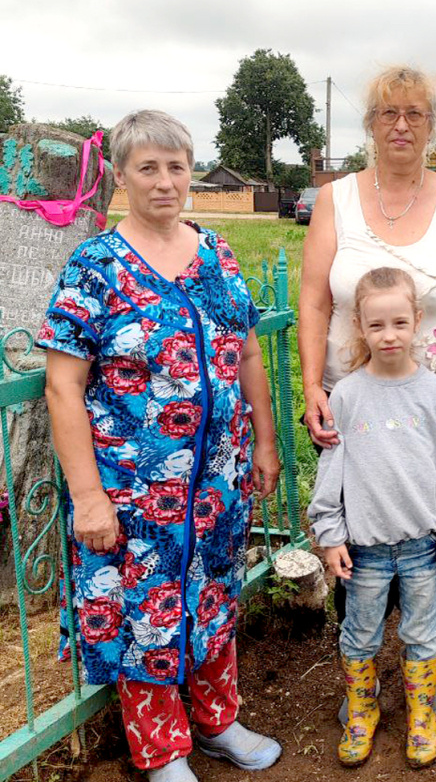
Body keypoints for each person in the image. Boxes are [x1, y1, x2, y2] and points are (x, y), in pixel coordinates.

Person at [39, 110, 282, 782]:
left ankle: (217, 721)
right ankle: (161, 751)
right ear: (121, 177)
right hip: (134, 488)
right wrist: (88, 496)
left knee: (213, 596)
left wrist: (264, 439)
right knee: (144, 612)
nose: (165, 181)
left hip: (218, 481)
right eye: (148, 167)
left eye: (177, 166)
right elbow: (64, 387)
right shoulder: (96, 267)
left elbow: (249, 350)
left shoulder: (217, 254)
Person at [298, 64, 436, 718]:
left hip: (435, 400)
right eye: (388, 114)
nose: (401, 125)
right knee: (352, 533)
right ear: (371, 125)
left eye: (414, 114)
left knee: (430, 536)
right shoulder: (336, 199)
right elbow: (314, 298)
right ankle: (361, 668)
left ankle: (419, 664)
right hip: (348, 399)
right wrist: (308, 385)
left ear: (431, 125)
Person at [308, 267, 436, 768]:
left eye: (400, 323)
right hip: (365, 551)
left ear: (418, 321)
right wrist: (330, 534)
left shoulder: (435, 393)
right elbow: (331, 472)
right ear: (360, 326)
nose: (389, 335)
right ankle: (363, 709)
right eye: (377, 325)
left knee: (423, 632)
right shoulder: (348, 395)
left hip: (424, 545)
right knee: (359, 633)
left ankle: (420, 713)